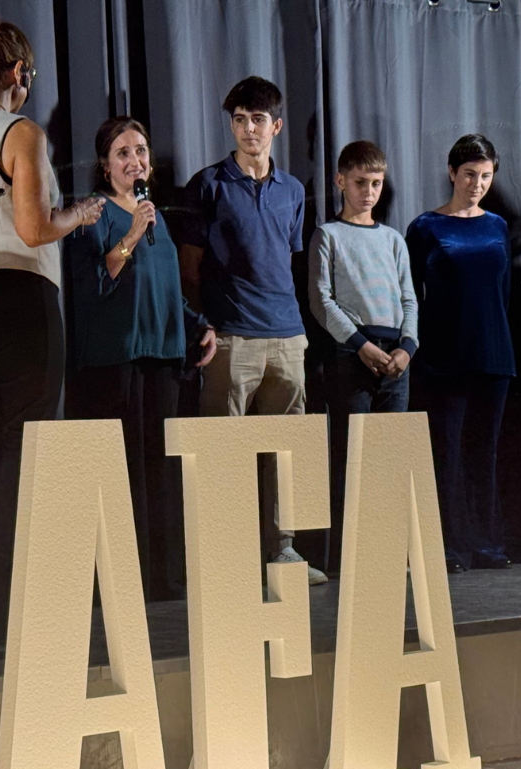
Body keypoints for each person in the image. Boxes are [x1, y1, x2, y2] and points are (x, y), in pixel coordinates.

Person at [0, 2, 105, 639]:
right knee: (28, 453)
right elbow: (35, 228)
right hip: (23, 306)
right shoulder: (21, 133)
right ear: (17, 73)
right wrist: (80, 214)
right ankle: (19, 611)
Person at [178, 76, 324, 584]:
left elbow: (289, 260)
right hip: (232, 338)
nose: (247, 129)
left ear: (276, 126)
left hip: (287, 335)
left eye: (257, 119)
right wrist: (207, 326)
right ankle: (228, 552)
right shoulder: (209, 184)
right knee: (225, 452)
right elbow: (189, 269)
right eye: (239, 119)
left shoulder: (294, 191)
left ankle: (284, 550)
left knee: (286, 451)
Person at [65, 116, 217, 601]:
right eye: (123, 154)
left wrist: (199, 326)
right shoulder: (94, 213)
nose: (136, 161)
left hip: (163, 353)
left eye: (141, 151)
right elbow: (94, 282)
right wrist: (130, 234)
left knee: (160, 466)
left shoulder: (155, 213)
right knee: (126, 467)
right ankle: (126, 576)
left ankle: (163, 575)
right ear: (106, 166)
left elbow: (165, 284)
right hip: (118, 357)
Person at [406, 134, 515, 574]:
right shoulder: (426, 227)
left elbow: (503, 294)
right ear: (452, 172)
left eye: (486, 176)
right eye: (470, 174)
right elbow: (411, 295)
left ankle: (487, 545)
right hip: (442, 355)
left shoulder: (497, 226)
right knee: (446, 454)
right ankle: (449, 548)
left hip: (493, 354)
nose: (477, 183)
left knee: (484, 453)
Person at [308, 140, 417, 574]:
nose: (368, 192)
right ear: (340, 181)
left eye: (375, 183)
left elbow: (409, 298)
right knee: (351, 458)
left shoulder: (392, 239)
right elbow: (321, 300)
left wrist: (406, 350)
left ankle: (388, 552)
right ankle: (350, 557)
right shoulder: (328, 235)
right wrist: (361, 345)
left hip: (395, 358)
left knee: (390, 458)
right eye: (359, 183)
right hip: (351, 354)